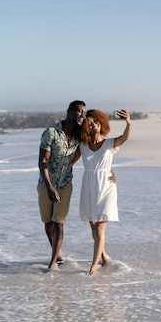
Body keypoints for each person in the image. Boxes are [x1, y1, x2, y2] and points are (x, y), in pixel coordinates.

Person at [78, 109, 131, 275]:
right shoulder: (83, 146)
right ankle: (104, 257)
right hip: (89, 187)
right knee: (93, 227)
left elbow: (125, 137)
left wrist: (128, 122)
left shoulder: (109, 144)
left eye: (96, 121)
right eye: (90, 122)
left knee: (100, 227)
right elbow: (69, 162)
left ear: (102, 124)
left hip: (106, 187)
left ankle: (94, 264)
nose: (93, 124)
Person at [38, 100, 86, 271]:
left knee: (59, 222)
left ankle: (52, 263)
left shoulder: (80, 136)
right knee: (48, 223)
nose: (82, 115)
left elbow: (96, 147)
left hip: (65, 185)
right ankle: (57, 254)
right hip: (46, 185)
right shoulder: (51, 132)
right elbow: (42, 161)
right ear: (69, 112)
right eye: (79, 111)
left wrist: (109, 170)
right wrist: (50, 187)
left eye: (84, 112)